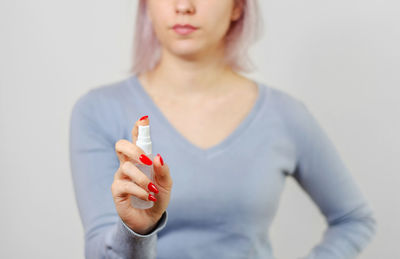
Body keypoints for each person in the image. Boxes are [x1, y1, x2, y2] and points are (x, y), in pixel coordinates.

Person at [69, 0, 377, 258]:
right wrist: (136, 231)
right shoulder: (99, 110)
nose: (183, 6)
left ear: (237, 7)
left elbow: (354, 219)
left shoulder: (285, 115)